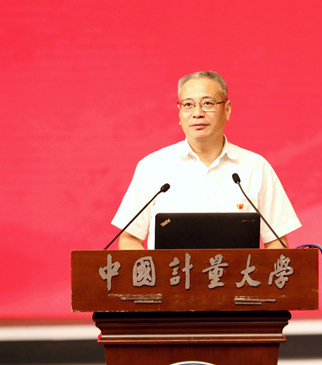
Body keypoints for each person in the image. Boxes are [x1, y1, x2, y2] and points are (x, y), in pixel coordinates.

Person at [112, 71, 301, 249]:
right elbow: (130, 239)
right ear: (179, 112)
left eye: (208, 103)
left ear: (227, 109)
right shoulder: (152, 167)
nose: (197, 113)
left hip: (239, 275)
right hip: (171, 275)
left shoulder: (255, 167)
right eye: (188, 105)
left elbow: (277, 241)